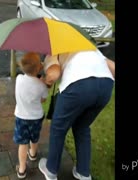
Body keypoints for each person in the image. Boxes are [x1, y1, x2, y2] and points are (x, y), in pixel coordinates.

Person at [38, 49, 115, 180]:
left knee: (58, 128)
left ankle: (51, 170)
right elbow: (112, 67)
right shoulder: (88, 45)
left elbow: (54, 74)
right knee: (82, 127)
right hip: (106, 85)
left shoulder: (56, 49)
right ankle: (83, 172)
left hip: (78, 85)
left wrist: (46, 83)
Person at [13, 52, 49, 179]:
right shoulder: (42, 85)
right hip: (36, 117)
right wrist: (43, 82)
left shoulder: (19, 79)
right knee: (34, 137)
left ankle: (22, 169)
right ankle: (33, 154)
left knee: (22, 143)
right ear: (39, 67)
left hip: (21, 117)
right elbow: (43, 99)